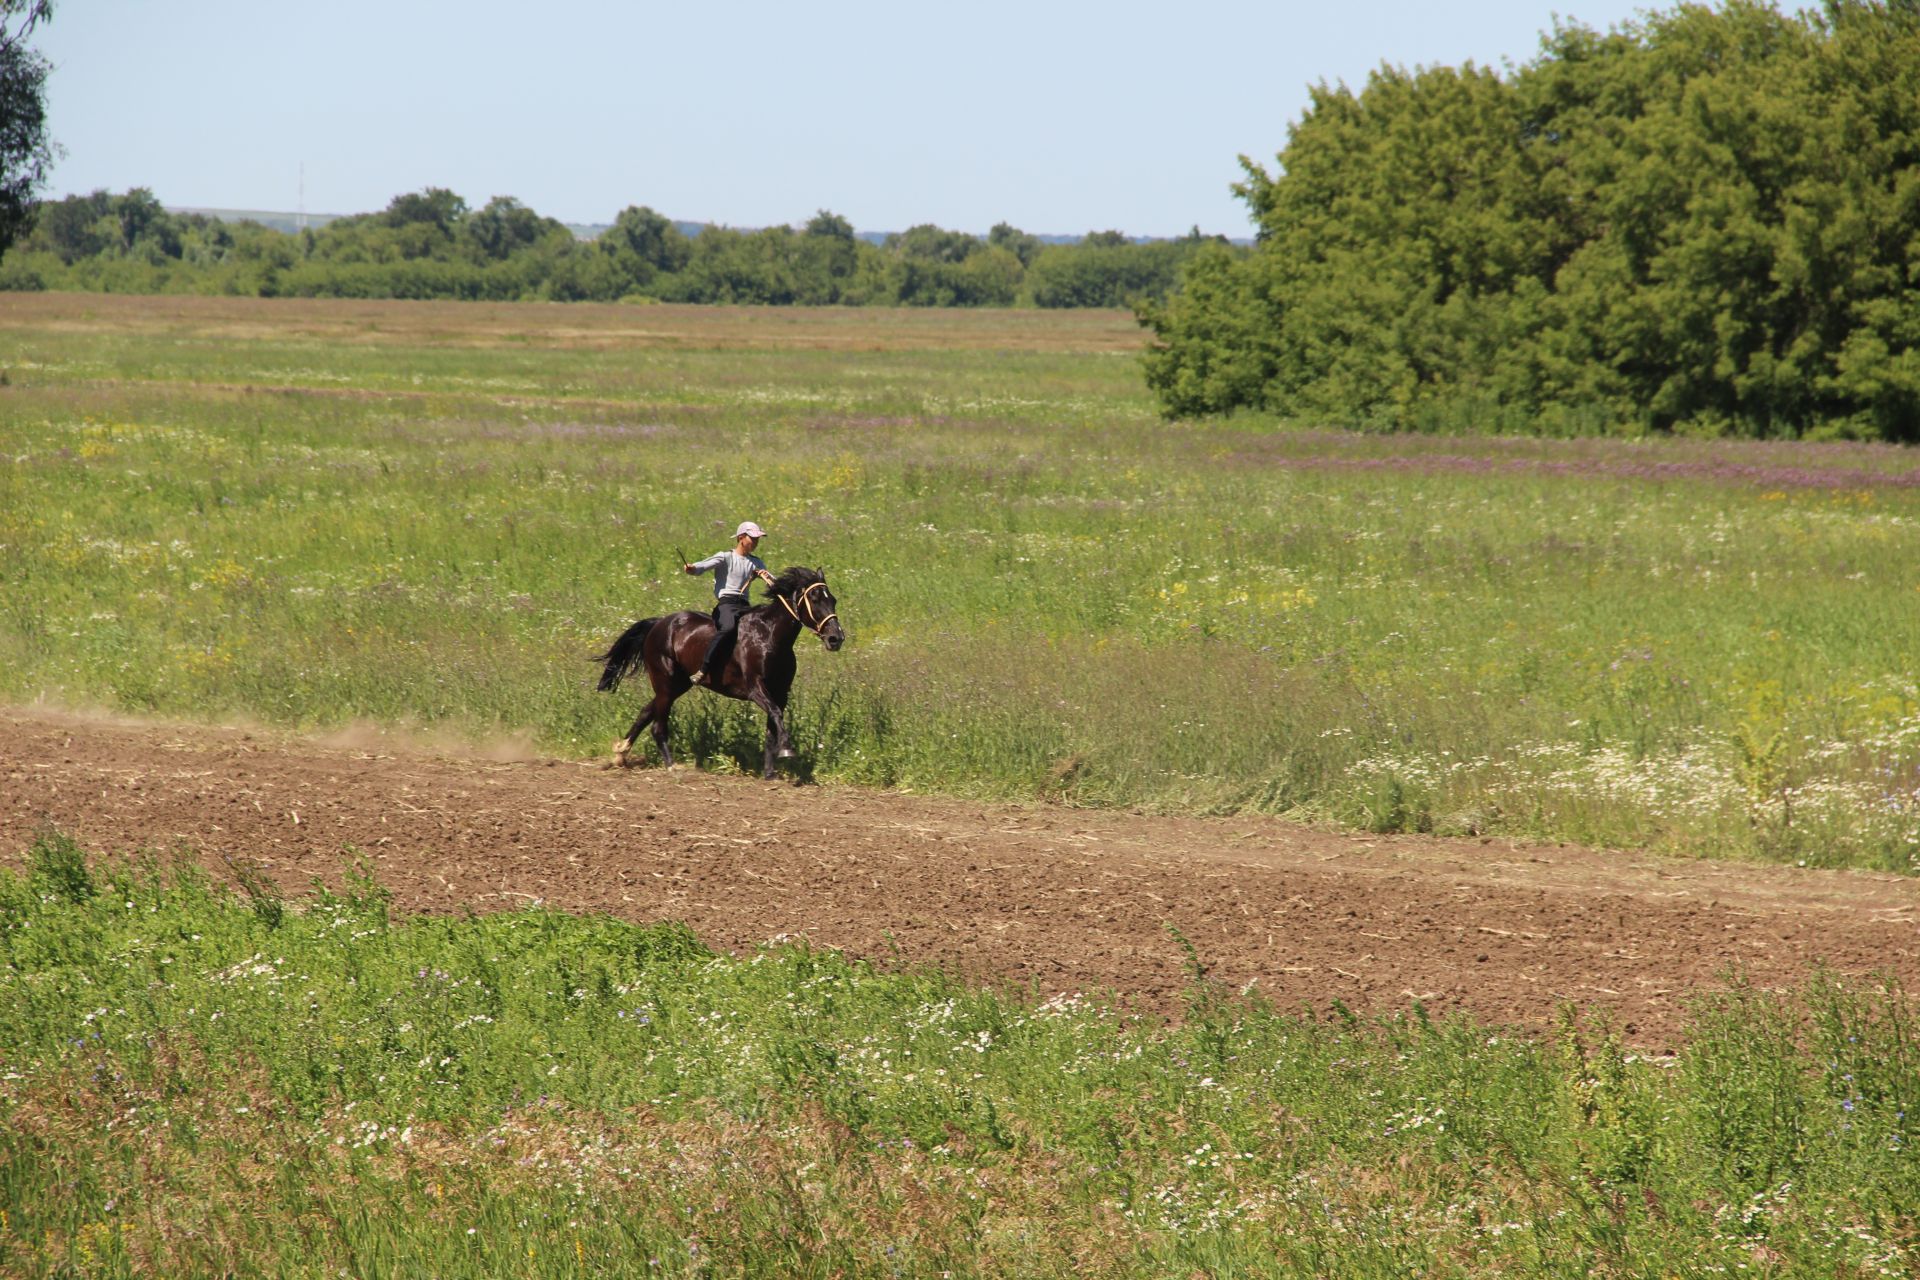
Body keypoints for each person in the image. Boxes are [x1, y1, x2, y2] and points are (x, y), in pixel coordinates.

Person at [683, 520, 778, 685]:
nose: (755, 543)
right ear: (741, 537)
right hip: (727, 604)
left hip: (745, 606)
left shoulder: (756, 562)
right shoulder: (725, 557)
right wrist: (693, 568)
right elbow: (703, 566)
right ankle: (703, 669)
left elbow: (774, 584)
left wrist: (767, 577)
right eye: (752, 539)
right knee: (728, 628)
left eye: (757, 539)